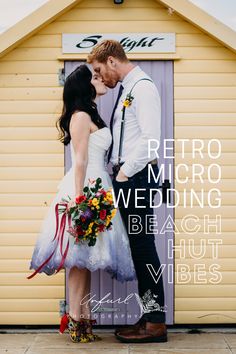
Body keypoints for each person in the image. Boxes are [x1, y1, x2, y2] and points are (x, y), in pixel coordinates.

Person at [27, 64, 136, 343]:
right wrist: (79, 203)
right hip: (84, 188)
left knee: (86, 260)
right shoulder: (80, 116)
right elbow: (80, 161)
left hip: (99, 187)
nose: (100, 79)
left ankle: (84, 318)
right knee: (77, 260)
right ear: (84, 86)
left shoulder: (91, 114)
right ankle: (76, 320)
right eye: (95, 77)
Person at [87, 39, 167, 343]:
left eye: (98, 69)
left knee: (144, 247)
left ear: (111, 61)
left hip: (137, 178)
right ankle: (149, 317)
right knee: (139, 248)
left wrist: (122, 174)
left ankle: (156, 322)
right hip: (130, 178)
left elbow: (150, 140)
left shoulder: (143, 87)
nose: (99, 76)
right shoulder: (127, 89)